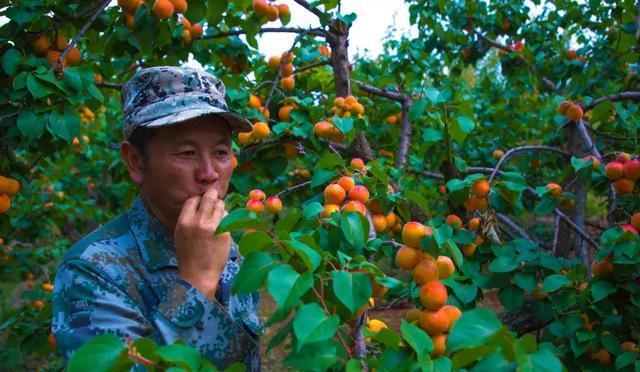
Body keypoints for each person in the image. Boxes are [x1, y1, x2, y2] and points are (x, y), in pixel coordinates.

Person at [51, 66, 261, 370]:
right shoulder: (91, 272)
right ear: (136, 161)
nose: (209, 174)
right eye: (187, 153)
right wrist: (197, 283)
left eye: (220, 152)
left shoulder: (226, 244)